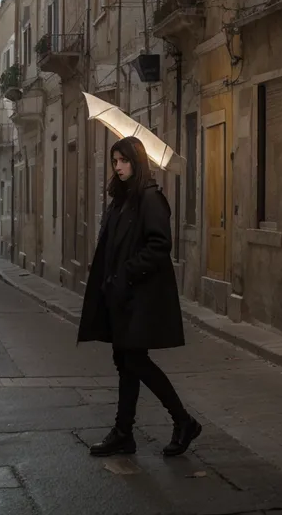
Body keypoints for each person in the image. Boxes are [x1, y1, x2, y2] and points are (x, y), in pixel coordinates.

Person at [78, 136, 201, 457]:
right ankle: (124, 432)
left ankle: (182, 420)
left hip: (140, 294)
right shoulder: (122, 199)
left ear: (138, 161)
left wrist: (127, 272)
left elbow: (159, 246)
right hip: (121, 295)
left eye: (124, 161)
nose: (118, 167)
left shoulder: (149, 198)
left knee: (134, 360)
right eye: (115, 161)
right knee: (125, 361)